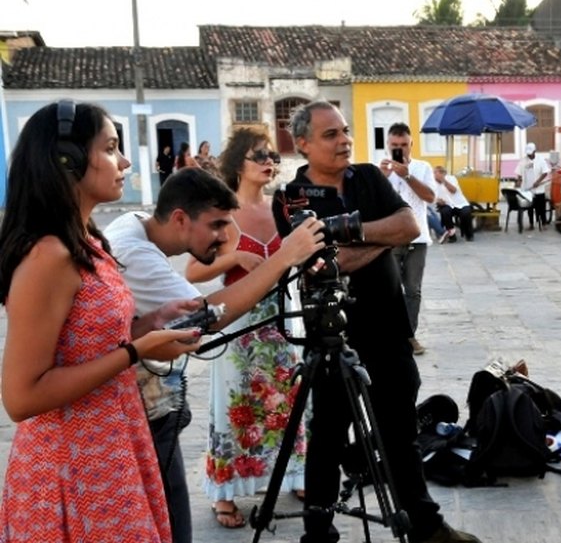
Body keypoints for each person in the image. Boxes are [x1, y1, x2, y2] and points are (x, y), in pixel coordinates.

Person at [0, 100, 203, 542]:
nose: (125, 162)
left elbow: (84, 343)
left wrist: (147, 325)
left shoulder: (88, 241)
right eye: (111, 148)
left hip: (110, 447)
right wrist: (135, 352)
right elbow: (20, 396)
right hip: (70, 465)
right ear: (66, 160)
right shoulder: (48, 257)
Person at [284, 100, 481, 543]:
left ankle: (425, 526)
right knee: (328, 437)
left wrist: (347, 235)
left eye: (345, 131)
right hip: (332, 337)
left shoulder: (369, 177)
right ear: (303, 144)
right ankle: (319, 531)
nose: (344, 140)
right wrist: (378, 236)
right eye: (330, 134)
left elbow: (410, 225)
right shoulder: (292, 198)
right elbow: (321, 264)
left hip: (389, 331)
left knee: (400, 433)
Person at [104, 168, 324, 541]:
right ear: (179, 219)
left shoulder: (136, 225)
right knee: (172, 521)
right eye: (217, 225)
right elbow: (205, 316)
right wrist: (284, 258)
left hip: (148, 400)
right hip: (139, 405)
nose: (225, 236)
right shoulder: (135, 252)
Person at [183, 127, 306, 526]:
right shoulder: (224, 212)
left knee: (288, 399)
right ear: (239, 164)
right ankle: (225, 493)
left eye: (272, 155)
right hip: (238, 325)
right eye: (259, 155)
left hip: (281, 319)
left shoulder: (281, 207)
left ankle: (295, 475)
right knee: (236, 407)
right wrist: (234, 258)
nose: (269, 161)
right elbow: (193, 268)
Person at [378, 122, 437, 356]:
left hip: (418, 237)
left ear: (411, 144)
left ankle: (409, 335)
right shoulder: (379, 170)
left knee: (413, 290)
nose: (400, 149)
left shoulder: (422, 167)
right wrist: (383, 178)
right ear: (388, 145)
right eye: (395, 145)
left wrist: (408, 176)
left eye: (404, 145)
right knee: (390, 290)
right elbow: (370, 203)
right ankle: (391, 334)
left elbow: (431, 197)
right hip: (390, 239)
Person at [433, 165, 474, 242]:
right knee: (445, 212)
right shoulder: (432, 183)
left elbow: (453, 190)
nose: (434, 175)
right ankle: (451, 235)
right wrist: (438, 200)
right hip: (446, 204)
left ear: (443, 173)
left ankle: (469, 234)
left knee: (466, 213)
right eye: (434, 173)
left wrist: (443, 181)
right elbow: (432, 195)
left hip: (460, 203)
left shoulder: (451, 178)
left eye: (435, 173)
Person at [514, 142, 550, 229]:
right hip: (527, 188)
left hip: (539, 189)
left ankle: (544, 223)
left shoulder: (541, 159)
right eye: (528, 154)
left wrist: (538, 181)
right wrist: (519, 181)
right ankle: (531, 224)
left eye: (531, 153)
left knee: (541, 207)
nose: (529, 155)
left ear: (535, 151)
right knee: (530, 207)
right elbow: (519, 173)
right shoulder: (523, 160)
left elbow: (545, 172)